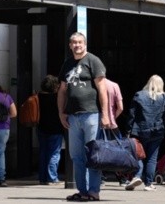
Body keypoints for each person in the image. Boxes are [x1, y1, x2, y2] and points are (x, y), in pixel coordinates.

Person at [57, 32, 110, 202]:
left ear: (85, 44)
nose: (77, 45)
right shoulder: (67, 64)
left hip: (92, 115)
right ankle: (83, 191)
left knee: (93, 155)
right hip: (73, 116)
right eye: (74, 42)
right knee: (76, 156)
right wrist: (61, 112)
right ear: (70, 45)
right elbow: (62, 90)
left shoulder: (93, 61)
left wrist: (105, 115)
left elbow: (102, 89)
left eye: (80, 42)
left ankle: (94, 191)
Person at [125, 74, 165, 191]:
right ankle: (148, 184)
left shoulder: (139, 95)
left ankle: (137, 176)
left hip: (140, 130)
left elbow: (131, 114)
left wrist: (128, 130)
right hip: (157, 131)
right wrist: (163, 125)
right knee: (152, 157)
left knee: (139, 155)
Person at [37, 75, 64, 185]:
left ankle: (42, 177)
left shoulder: (38, 97)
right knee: (54, 153)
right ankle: (52, 177)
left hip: (41, 127)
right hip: (56, 128)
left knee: (43, 152)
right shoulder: (58, 97)